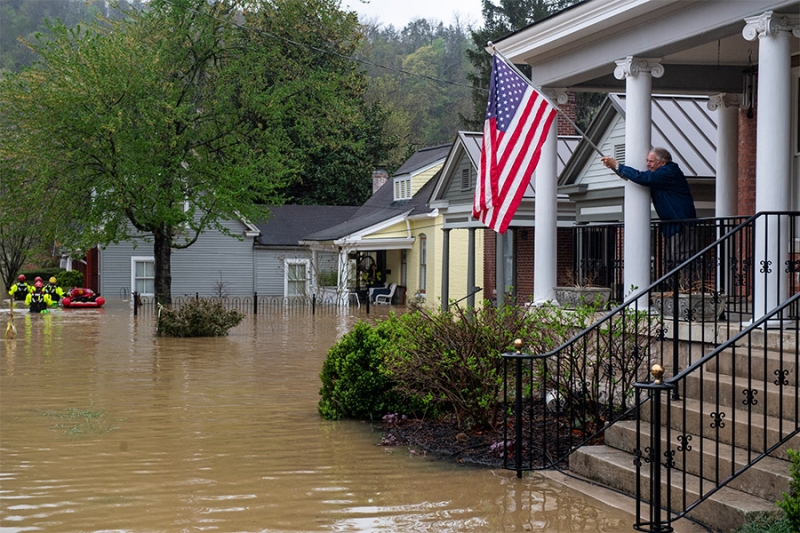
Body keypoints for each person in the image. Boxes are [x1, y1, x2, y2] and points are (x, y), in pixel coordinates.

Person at [600, 147, 697, 271]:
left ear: (662, 163)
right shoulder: (663, 173)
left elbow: (644, 178)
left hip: (682, 225)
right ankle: (675, 289)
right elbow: (642, 177)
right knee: (671, 261)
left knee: (682, 260)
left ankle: (686, 288)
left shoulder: (668, 172)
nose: (647, 164)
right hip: (673, 225)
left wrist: (617, 165)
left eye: (651, 161)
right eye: (647, 161)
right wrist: (616, 168)